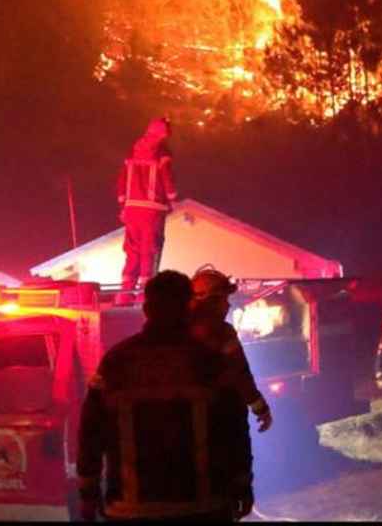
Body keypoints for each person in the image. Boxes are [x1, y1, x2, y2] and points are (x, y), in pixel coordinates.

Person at [77, 270, 253, 522]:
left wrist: (88, 493)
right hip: (203, 508)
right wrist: (242, 485)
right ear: (187, 308)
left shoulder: (116, 362)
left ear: (147, 309)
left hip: (131, 510)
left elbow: (91, 432)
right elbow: (234, 429)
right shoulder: (210, 362)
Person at [189, 267, 273, 433]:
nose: (227, 305)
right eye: (223, 299)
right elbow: (240, 373)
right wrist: (260, 408)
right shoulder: (223, 332)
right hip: (218, 416)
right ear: (209, 300)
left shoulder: (175, 328)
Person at [116, 117, 178, 296]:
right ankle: (145, 294)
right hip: (152, 209)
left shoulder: (133, 151)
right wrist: (172, 198)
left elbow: (122, 179)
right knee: (148, 250)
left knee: (132, 251)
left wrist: (123, 204)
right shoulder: (161, 152)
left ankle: (125, 295)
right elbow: (166, 178)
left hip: (131, 209)